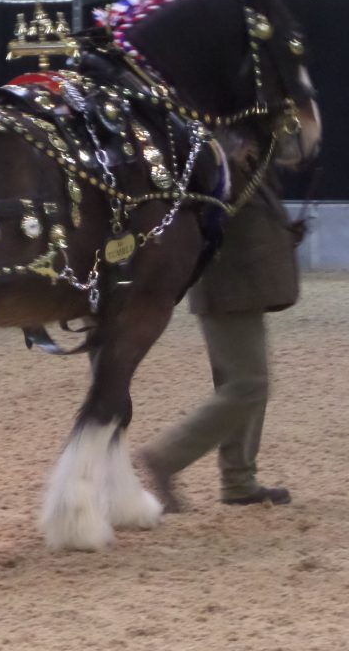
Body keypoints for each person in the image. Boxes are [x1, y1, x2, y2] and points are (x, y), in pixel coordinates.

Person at [137, 173, 299, 511]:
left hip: (241, 282)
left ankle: (239, 481)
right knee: (247, 384)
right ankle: (164, 457)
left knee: (249, 383)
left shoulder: (242, 160)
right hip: (229, 282)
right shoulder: (223, 161)